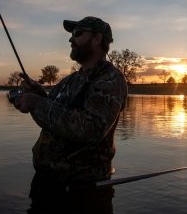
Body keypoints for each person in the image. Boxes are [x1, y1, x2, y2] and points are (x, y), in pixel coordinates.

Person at [13, 15, 127, 186]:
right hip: (46, 181)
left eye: (78, 33)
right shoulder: (71, 80)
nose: (71, 38)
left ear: (97, 39)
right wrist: (38, 95)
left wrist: (36, 103)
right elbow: (56, 112)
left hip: (82, 192)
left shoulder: (111, 79)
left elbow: (90, 130)